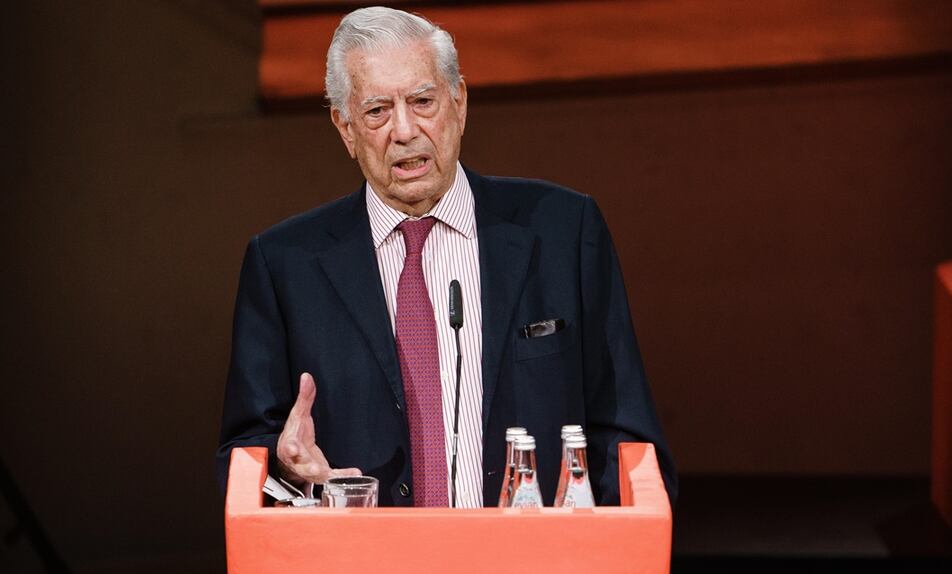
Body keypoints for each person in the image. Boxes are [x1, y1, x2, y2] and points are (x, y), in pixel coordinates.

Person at [218, 6, 677, 507]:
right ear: (345, 128)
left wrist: (602, 548)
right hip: (364, 554)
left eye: (422, 101)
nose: (404, 130)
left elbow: (625, 436)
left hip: (533, 554)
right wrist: (292, 473)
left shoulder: (564, 231)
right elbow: (246, 456)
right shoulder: (284, 265)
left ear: (459, 104)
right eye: (376, 111)